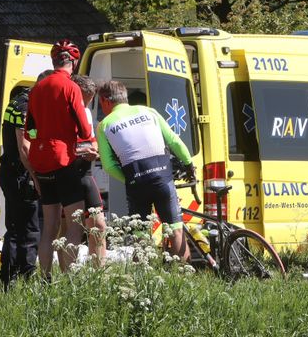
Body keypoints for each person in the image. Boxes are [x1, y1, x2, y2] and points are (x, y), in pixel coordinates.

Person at [96, 80, 195, 258]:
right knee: (176, 230)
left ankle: (143, 278)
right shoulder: (150, 112)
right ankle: (182, 279)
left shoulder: (104, 125)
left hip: (136, 181)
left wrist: (131, 179)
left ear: (105, 101)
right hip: (162, 176)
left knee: (140, 234)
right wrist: (188, 164)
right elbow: (174, 141)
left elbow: (109, 166)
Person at [26, 39, 92, 277]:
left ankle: (45, 278)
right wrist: (83, 139)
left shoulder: (37, 89)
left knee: (49, 227)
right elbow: (83, 126)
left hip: (41, 160)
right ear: (73, 62)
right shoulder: (70, 87)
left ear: (54, 61)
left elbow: (29, 129)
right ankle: (71, 278)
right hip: (63, 159)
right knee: (74, 225)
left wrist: (41, 138)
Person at [0, 69, 53, 289]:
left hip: (14, 172)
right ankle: (22, 277)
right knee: (27, 228)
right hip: (20, 174)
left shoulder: (23, 101)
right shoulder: (24, 106)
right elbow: (24, 148)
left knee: (18, 226)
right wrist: (36, 177)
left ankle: (12, 277)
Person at [71, 74, 107, 264]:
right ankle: (64, 274)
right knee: (69, 228)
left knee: (99, 225)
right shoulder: (62, 111)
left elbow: (90, 140)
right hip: (66, 173)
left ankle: (99, 273)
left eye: (90, 100)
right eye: (85, 99)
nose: (86, 104)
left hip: (86, 172)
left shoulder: (84, 112)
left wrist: (95, 150)